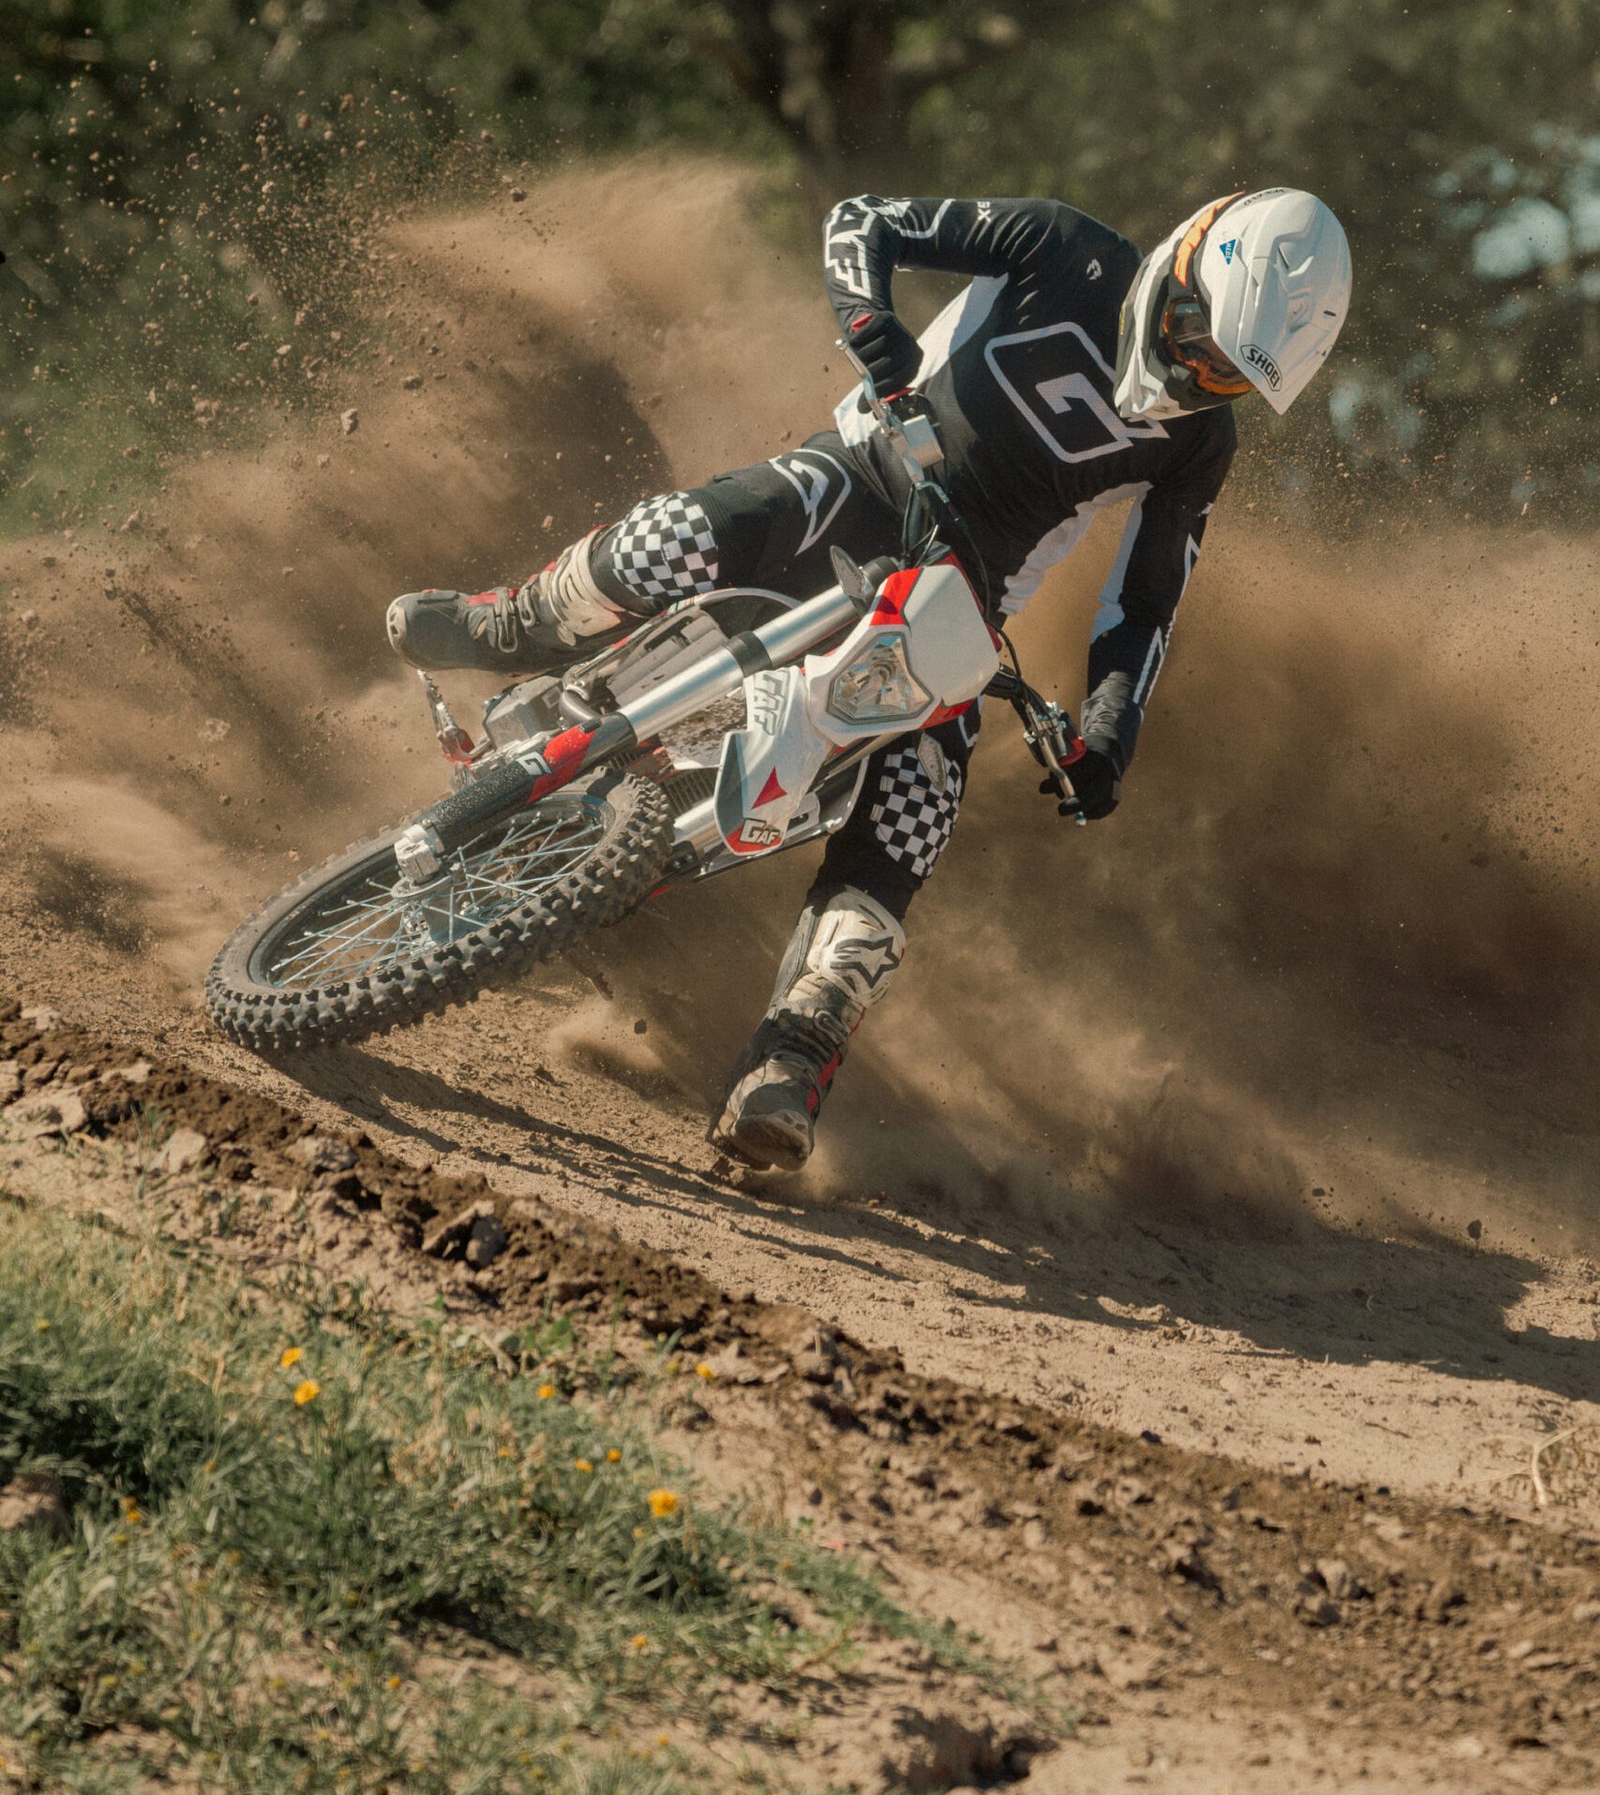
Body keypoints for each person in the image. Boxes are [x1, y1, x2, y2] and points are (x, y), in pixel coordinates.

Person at [387, 187, 1351, 1171]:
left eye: (1227, 373)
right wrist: (869, 321)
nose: (1195, 368)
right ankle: (514, 620)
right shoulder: (1065, 248)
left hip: (961, 603)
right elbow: (864, 220)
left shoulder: (1198, 444)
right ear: (1184, 260)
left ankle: (794, 1054)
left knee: (918, 807)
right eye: (1196, 332)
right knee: (679, 535)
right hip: (858, 476)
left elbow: (1145, 602)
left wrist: (1110, 730)